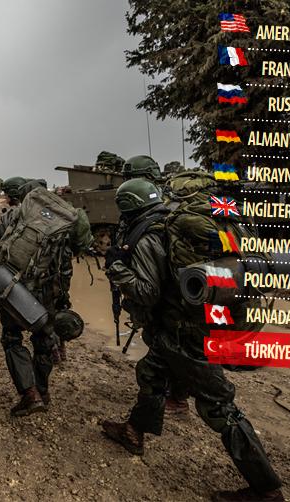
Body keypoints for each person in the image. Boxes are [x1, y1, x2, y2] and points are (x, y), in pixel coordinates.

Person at [101, 179, 283, 501]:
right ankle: (133, 432)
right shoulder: (186, 222)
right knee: (152, 372)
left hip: (189, 331)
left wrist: (116, 267)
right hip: (203, 322)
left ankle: (266, 490)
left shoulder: (149, 235)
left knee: (218, 406)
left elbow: (147, 292)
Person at [0, 177, 91, 417]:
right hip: (49, 291)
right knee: (44, 341)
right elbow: (77, 250)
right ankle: (43, 392)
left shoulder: (13, 215)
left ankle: (30, 394)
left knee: (12, 338)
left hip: (16, 288)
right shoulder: (66, 220)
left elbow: (0, 241)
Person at [119, 155, 190, 414]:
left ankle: (175, 397)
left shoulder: (159, 207)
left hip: (166, 292)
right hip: (177, 289)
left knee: (171, 347)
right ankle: (171, 394)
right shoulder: (171, 203)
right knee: (169, 344)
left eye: (132, 178)